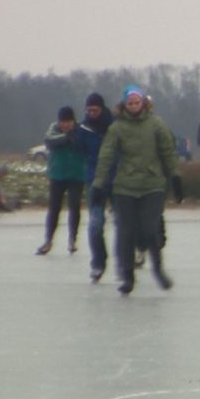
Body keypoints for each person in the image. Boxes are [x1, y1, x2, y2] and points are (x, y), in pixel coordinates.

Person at [92, 85, 183, 294]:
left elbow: (168, 152)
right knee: (126, 232)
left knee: (149, 229)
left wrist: (175, 176)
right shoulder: (117, 128)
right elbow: (106, 156)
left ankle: (158, 270)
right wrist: (99, 184)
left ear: (143, 103)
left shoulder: (156, 124)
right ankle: (128, 277)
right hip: (125, 187)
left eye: (137, 102)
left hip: (152, 185)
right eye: (130, 103)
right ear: (125, 105)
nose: (134, 106)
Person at [37, 106, 86, 255]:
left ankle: (73, 240)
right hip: (57, 175)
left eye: (68, 122)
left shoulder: (81, 130)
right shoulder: (53, 129)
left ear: (73, 121)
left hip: (77, 175)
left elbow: (85, 144)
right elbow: (49, 141)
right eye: (63, 122)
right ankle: (48, 240)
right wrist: (66, 137)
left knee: (74, 206)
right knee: (54, 208)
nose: (65, 125)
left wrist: (75, 137)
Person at [77, 92, 114, 281]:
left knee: (124, 224)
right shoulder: (83, 129)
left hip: (117, 181)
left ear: (102, 108)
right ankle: (98, 263)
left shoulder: (115, 126)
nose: (92, 114)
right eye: (89, 110)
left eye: (95, 110)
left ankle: (128, 261)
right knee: (95, 225)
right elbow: (82, 152)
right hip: (95, 182)